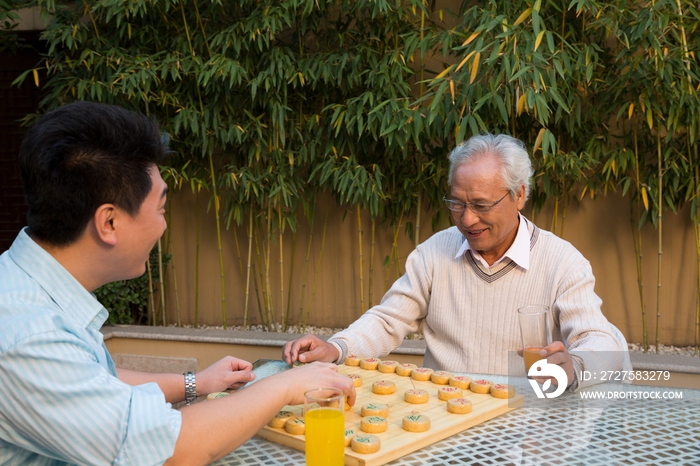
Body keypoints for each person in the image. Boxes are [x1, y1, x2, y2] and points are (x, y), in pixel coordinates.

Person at [0, 101, 355, 465]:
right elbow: (171, 451)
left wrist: (197, 383)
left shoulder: (27, 291)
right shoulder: (27, 335)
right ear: (109, 223)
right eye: (161, 208)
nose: (164, 225)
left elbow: (89, 381)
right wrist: (285, 385)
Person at [283, 133, 630, 391]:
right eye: (456, 203)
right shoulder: (435, 252)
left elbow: (601, 340)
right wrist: (336, 347)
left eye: (481, 205)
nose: (467, 220)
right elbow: (388, 320)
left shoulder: (562, 262)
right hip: (444, 413)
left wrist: (576, 364)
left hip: (527, 424)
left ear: (519, 194)